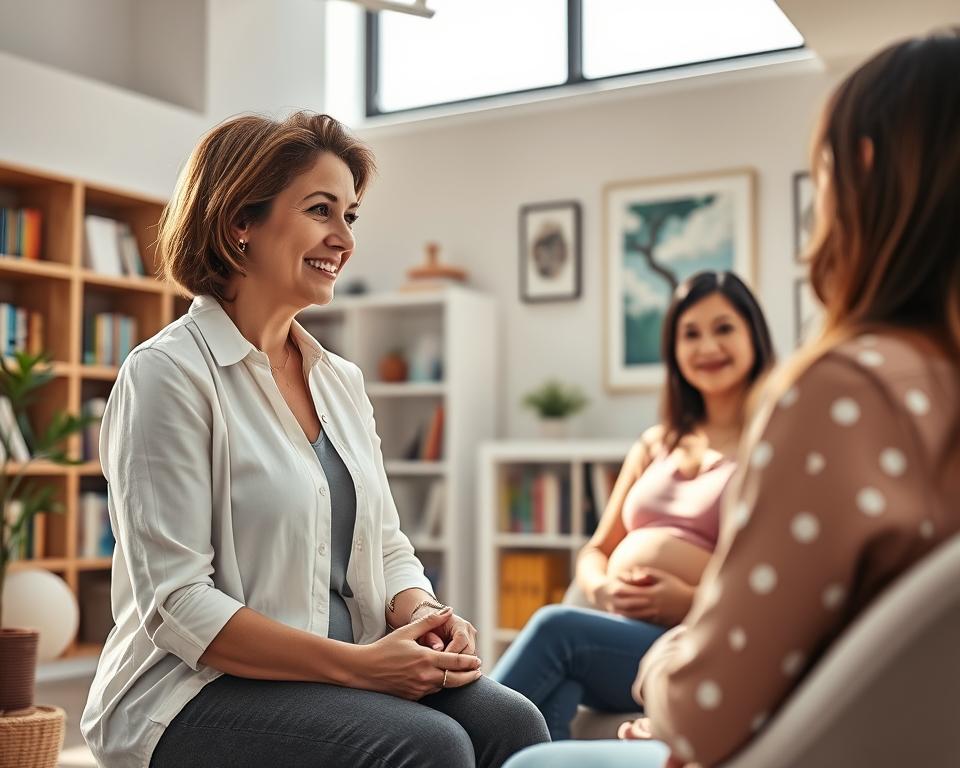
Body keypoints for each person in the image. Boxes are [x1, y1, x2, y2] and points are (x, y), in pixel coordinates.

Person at [503, 26, 960, 768]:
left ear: (863, 172)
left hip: (765, 719)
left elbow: (712, 708)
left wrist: (665, 664)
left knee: (533, 737)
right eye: (690, 334)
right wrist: (608, 584)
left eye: (823, 178)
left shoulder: (844, 395)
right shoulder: (921, 388)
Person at [80, 111, 549, 768]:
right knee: (430, 745)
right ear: (239, 222)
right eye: (320, 210)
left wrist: (420, 610)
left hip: (337, 671)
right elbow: (179, 604)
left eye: (350, 216)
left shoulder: (341, 381)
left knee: (511, 722)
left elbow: (385, 546)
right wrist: (362, 667)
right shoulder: (167, 375)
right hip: (191, 692)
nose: (343, 239)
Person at [491, 270, 774, 740]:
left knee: (554, 629)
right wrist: (602, 590)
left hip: (697, 638)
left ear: (754, 337)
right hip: (617, 629)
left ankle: (448, 746)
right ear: (674, 350)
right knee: (554, 695)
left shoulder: (771, 441)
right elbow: (596, 549)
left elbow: (770, 575)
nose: (707, 346)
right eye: (691, 333)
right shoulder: (655, 444)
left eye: (724, 328)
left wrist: (686, 600)